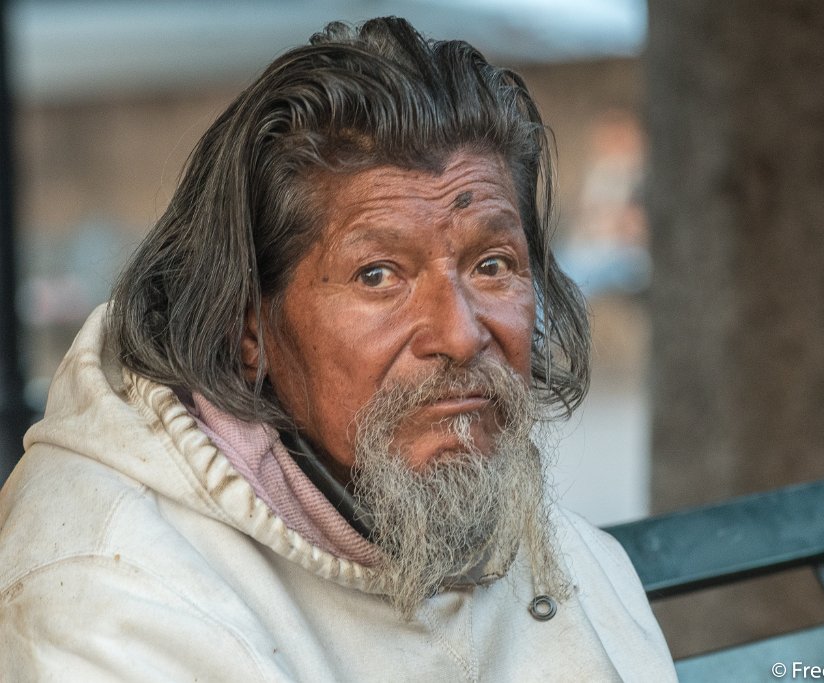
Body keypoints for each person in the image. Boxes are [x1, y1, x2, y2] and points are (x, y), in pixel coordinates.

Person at [0, 17, 674, 681]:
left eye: (492, 265)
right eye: (378, 275)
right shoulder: (109, 591)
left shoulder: (573, 561)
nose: (462, 334)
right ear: (247, 330)